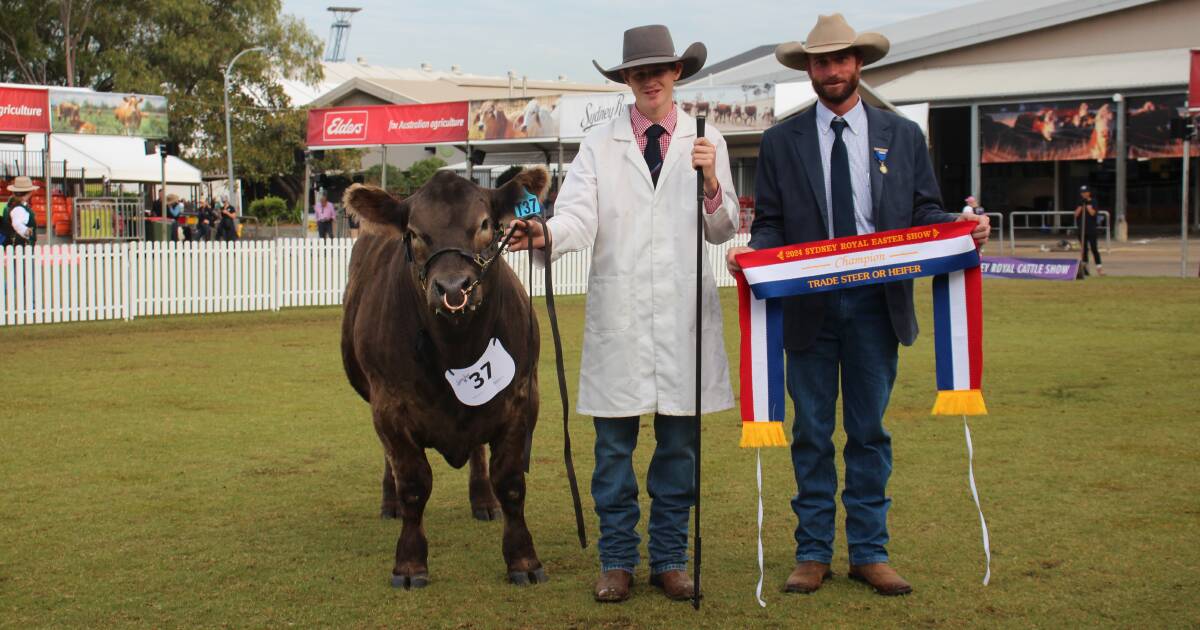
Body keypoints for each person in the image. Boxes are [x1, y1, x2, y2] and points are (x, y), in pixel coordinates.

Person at [725, 13, 990, 597]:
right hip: (806, 310)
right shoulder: (779, 141)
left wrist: (959, 227)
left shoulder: (903, 136)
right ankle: (812, 552)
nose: (833, 71)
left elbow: (924, 213)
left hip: (878, 306)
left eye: (841, 60)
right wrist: (751, 254)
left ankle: (871, 552)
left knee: (869, 432)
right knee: (812, 432)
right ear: (810, 70)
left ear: (858, 64)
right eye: (822, 63)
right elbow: (769, 224)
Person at [508, 24, 740, 603]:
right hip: (622, 318)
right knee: (613, 450)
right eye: (639, 72)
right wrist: (545, 233)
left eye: (660, 69)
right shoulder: (599, 143)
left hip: (683, 320)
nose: (651, 79)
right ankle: (616, 560)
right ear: (626, 80)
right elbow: (580, 218)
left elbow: (723, 228)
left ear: (677, 74)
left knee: (679, 451)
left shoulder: (707, 139)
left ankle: (669, 559)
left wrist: (711, 178)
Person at [1074, 185, 1103, 276]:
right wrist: (1081, 206)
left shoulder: (1093, 201)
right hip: (1082, 230)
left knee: (1094, 248)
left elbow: (1093, 213)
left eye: (1085, 192)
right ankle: (1085, 269)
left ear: (1089, 193)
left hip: (1091, 229)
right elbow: (1076, 214)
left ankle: (1099, 269)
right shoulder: (1080, 202)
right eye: (1082, 192)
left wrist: (1088, 207)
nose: (1083, 194)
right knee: (1084, 250)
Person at [3, 176, 40, 246]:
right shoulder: (19, 209)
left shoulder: (16, 205)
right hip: (22, 247)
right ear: (29, 193)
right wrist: (28, 233)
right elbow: (16, 224)